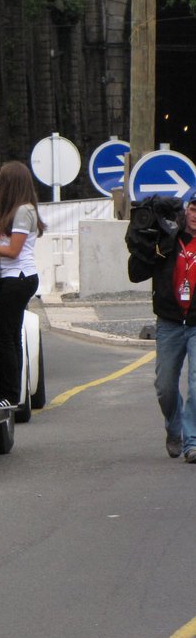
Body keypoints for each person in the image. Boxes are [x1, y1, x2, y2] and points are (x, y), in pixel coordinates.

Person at [127, 193, 196, 460]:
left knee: (195, 385)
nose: (195, 215)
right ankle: (174, 428)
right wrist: (144, 241)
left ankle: (191, 442)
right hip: (169, 322)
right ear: (186, 210)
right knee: (165, 387)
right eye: (193, 209)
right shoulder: (167, 237)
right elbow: (135, 274)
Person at [0, 161, 44, 409]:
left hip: (19, 277)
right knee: (9, 335)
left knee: (7, 337)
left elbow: (14, 251)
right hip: (13, 278)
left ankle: (10, 395)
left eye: (0, 179)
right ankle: (7, 392)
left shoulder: (24, 211)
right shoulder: (17, 210)